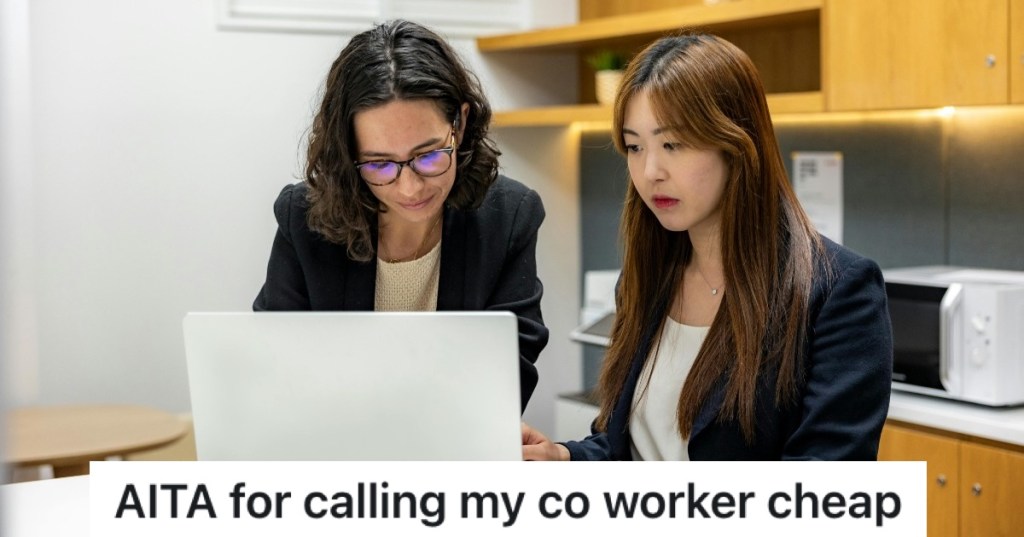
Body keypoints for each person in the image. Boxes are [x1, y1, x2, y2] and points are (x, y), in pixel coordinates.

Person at [522, 33, 892, 460]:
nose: (650, 171)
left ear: (735, 144)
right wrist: (566, 459)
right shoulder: (647, 279)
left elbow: (824, 492)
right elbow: (628, 446)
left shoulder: (837, 292)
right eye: (635, 146)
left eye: (672, 145)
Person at [253, 19, 549, 412]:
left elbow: (506, 381)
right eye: (379, 165)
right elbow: (272, 366)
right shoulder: (304, 219)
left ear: (458, 124)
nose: (410, 188)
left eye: (428, 156)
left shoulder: (509, 217)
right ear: (349, 154)